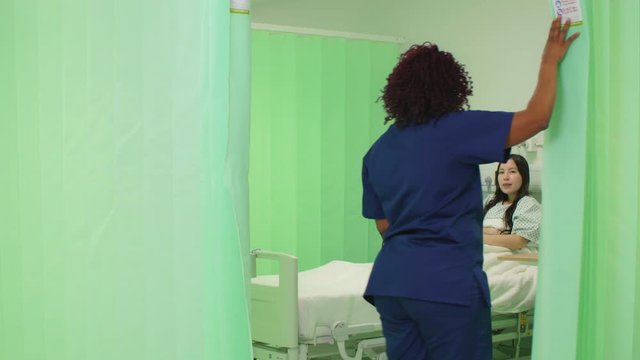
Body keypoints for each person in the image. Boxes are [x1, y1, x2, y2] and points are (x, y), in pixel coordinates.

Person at [361, 17, 578, 360]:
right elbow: (537, 118)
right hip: (446, 284)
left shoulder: (378, 150)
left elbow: (384, 225)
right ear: (451, 86)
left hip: (392, 283)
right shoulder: (456, 129)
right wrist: (550, 59)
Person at [483, 155, 541, 252]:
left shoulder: (528, 204)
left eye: (512, 172)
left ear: (523, 176)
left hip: (512, 259)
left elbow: (518, 241)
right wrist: (493, 232)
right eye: (501, 172)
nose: (505, 177)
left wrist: (480, 237)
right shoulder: (490, 201)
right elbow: (470, 226)